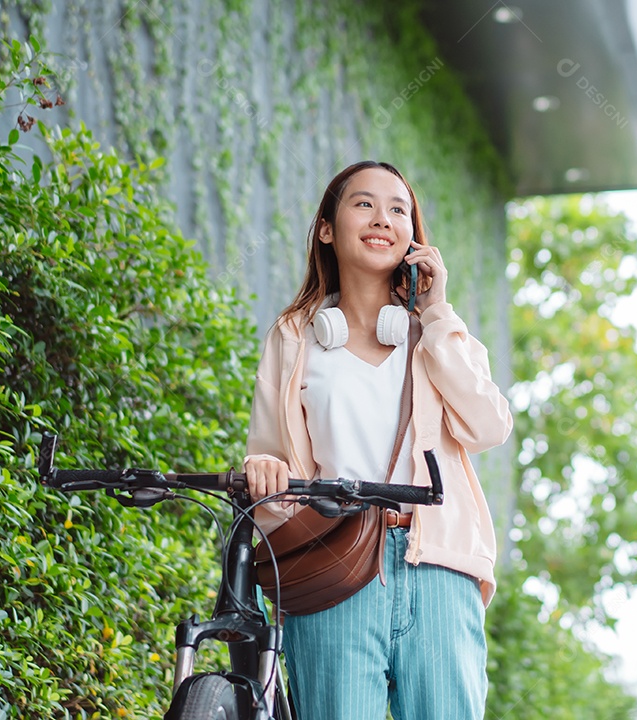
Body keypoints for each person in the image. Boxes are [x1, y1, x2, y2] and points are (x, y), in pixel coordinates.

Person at [242, 160, 512, 719]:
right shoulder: (295, 337)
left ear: (414, 237)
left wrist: (436, 313)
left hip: (437, 566)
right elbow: (271, 452)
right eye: (363, 203)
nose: (382, 218)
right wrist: (264, 471)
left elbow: (488, 426)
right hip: (333, 562)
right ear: (326, 228)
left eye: (398, 209)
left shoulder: (434, 335)